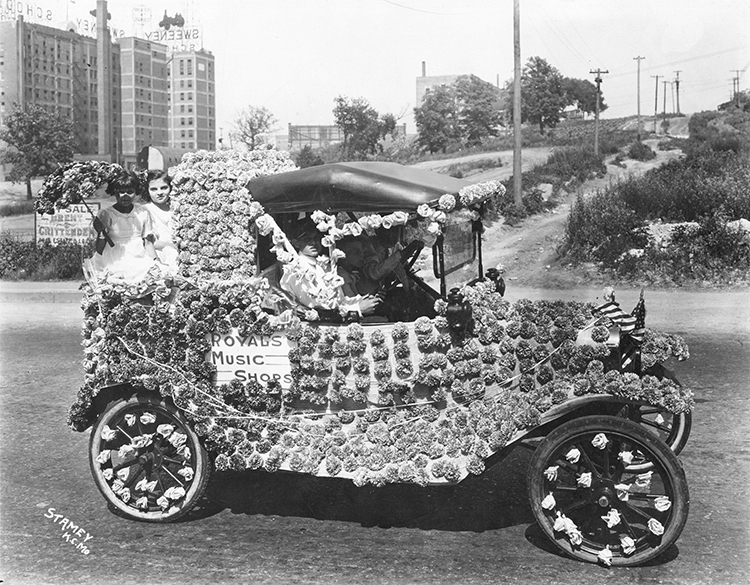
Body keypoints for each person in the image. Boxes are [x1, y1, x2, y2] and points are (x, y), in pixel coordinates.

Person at [279, 221, 380, 317]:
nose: (314, 242)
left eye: (316, 238)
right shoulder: (294, 271)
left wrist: (364, 300)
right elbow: (315, 308)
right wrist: (357, 309)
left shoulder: (324, 266)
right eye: (307, 239)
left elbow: (339, 301)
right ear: (296, 243)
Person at [88, 170, 161, 283]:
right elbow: (99, 249)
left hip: (138, 256)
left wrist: (156, 260)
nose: (125, 196)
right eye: (121, 192)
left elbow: (148, 243)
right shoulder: (107, 214)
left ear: (136, 192)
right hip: (114, 257)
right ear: (115, 192)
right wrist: (101, 233)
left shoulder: (142, 212)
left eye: (130, 192)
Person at [143, 170, 178, 273]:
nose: (159, 193)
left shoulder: (175, 208)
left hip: (179, 256)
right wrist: (172, 246)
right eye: (153, 189)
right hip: (157, 255)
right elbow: (147, 242)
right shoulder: (145, 211)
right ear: (147, 191)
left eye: (164, 188)